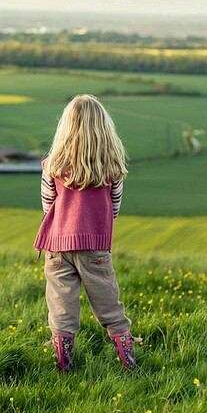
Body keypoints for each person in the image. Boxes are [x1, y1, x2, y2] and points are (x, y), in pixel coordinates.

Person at [34, 94, 138, 372]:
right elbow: (114, 208)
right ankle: (128, 360)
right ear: (104, 130)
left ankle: (63, 361)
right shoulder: (111, 167)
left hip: (57, 246)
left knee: (61, 306)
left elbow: (47, 205)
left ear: (66, 127)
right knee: (109, 306)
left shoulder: (53, 165)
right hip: (95, 247)